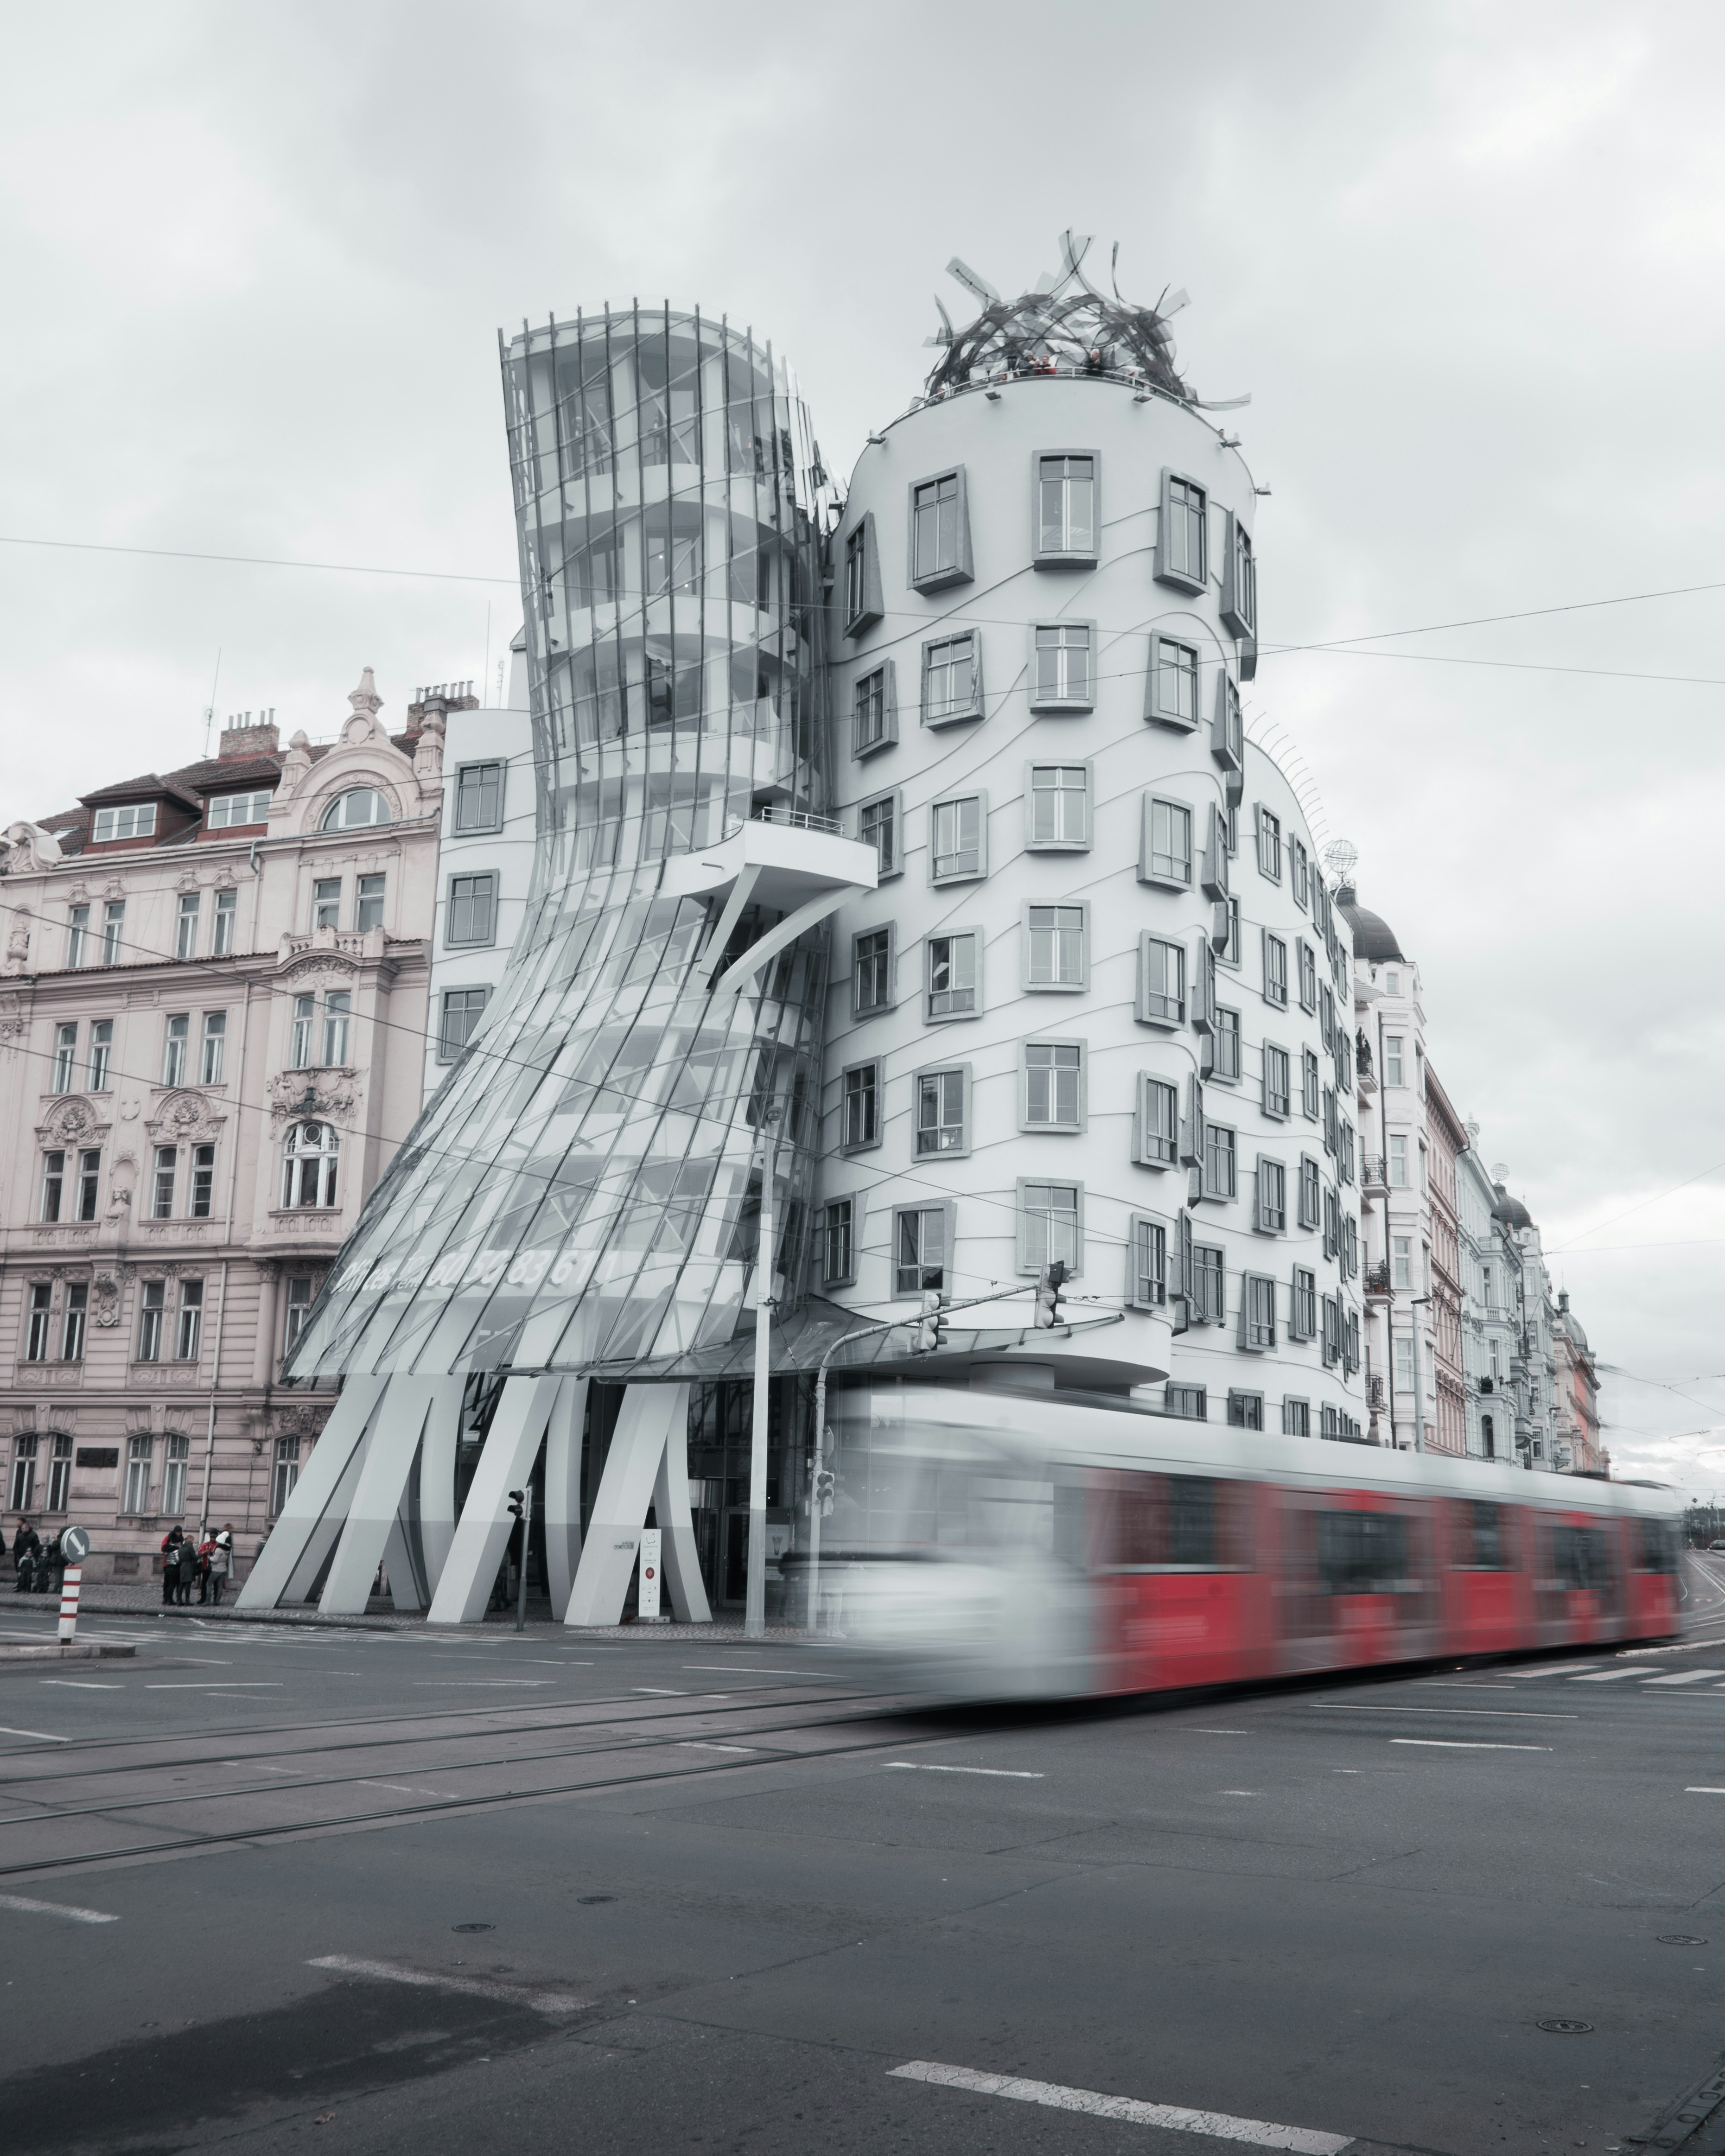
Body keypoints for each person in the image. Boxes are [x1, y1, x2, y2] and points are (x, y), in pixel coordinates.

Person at [12, 1520, 40, 1594]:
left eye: (23, 1528)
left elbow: (37, 1546)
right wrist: (16, 1554)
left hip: (30, 1558)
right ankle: (20, 1587)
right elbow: (16, 1545)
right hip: (21, 1556)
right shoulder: (20, 1535)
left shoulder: (33, 1535)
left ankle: (27, 1588)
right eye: (22, 1528)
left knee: (28, 1575)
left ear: (27, 1528)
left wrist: (33, 1555)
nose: (22, 1530)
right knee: (21, 1573)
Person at [207, 1524, 233, 1606]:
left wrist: (209, 1557)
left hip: (216, 1569)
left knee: (208, 1584)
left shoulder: (219, 1549)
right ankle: (217, 1601)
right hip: (223, 1569)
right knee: (220, 1586)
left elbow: (215, 1560)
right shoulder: (227, 1549)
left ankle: (207, 1601)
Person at [160, 1526, 185, 1606]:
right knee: (168, 1583)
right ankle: (166, 1599)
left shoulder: (181, 1539)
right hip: (168, 1564)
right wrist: (175, 1547)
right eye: (177, 1532)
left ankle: (174, 1599)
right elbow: (164, 1549)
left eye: (180, 1533)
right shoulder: (168, 1538)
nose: (179, 1534)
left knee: (176, 1583)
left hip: (178, 1565)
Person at [174, 1533, 198, 1606]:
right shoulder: (190, 1547)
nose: (193, 1542)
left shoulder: (182, 1547)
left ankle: (179, 1600)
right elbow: (195, 1558)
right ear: (190, 1540)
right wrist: (203, 1554)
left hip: (182, 1566)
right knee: (188, 1584)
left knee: (181, 1585)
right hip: (189, 1567)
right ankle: (187, 1601)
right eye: (193, 1541)